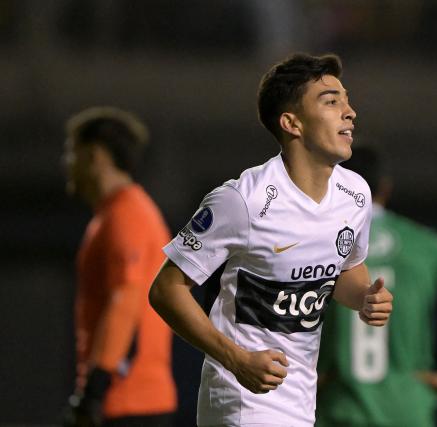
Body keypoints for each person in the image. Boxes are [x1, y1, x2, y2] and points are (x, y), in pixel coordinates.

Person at [148, 53, 393, 427]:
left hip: (299, 402)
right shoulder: (242, 201)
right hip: (242, 403)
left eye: (346, 100)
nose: (350, 112)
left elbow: (344, 271)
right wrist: (236, 360)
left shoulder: (355, 194)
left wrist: (364, 297)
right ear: (292, 123)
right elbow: (166, 289)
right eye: (331, 101)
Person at [315, 145, 437, 427]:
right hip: (406, 409)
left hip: (342, 407)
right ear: (385, 187)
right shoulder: (424, 244)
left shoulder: (320, 241)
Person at [62, 107, 177, 426]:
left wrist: (96, 387)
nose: (67, 163)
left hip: (129, 401)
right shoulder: (116, 214)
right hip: (126, 398)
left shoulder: (127, 215)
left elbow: (126, 297)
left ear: (96, 156)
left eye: (72, 152)